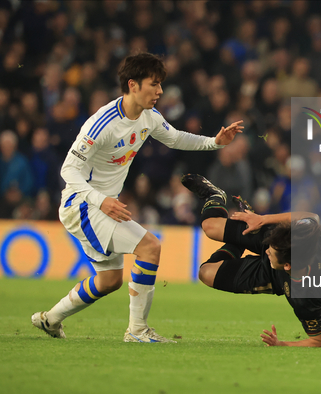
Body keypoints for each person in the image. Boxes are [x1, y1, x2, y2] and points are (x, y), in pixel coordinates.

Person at [31, 53, 244, 343]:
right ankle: (138, 331)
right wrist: (100, 200)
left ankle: (50, 319)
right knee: (150, 247)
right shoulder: (101, 124)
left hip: (103, 206)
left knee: (109, 281)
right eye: (154, 84)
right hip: (82, 205)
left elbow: (176, 137)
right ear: (133, 85)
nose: (159, 92)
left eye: (160, 85)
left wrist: (214, 142)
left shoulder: (149, 117)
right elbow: (69, 169)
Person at [181, 173, 321, 347]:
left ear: (287, 266)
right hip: (279, 237)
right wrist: (262, 220)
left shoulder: (307, 299)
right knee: (210, 226)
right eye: (269, 247)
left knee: (206, 273)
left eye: (271, 251)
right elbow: (312, 217)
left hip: (272, 276)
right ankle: (215, 195)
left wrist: (281, 344)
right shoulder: (300, 237)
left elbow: (319, 341)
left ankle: (238, 243)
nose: (266, 250)